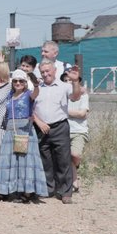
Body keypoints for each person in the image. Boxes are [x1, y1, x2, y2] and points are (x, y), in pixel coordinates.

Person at [0, 70, 48, 203]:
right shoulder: (10, 95)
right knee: (6, 161)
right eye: (15, 81)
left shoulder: (28, 94)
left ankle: (26, 193)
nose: (18, 83)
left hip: (25, 130)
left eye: (21, 81)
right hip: (10, 130)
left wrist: (36, 85)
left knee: (24, 161)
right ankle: (2, 191)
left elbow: (35, 94)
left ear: (25, 83)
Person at [33, 60, 84, 204]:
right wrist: (39, 122)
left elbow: (75, 96)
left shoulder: (64, 86)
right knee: (45, 160)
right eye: (42, 72)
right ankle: (49, 188)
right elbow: (31, 107)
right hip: (41, 127)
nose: (45, 74)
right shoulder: (37, 88)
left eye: (48, 71)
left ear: (55, 71)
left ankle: (65, 191)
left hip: (60, 126)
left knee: (63, 160)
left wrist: (75, 82)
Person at [65, 69, 90, 193]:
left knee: (74, 154)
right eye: (66, 81)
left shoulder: (84, 95)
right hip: (65, 130)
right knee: (68, 156)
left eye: (71, 80)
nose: (69, 82)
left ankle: (76, 165)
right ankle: (74, 181)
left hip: (79, 131)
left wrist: (65, 112)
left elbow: (82, 113)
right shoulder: (64, 96)